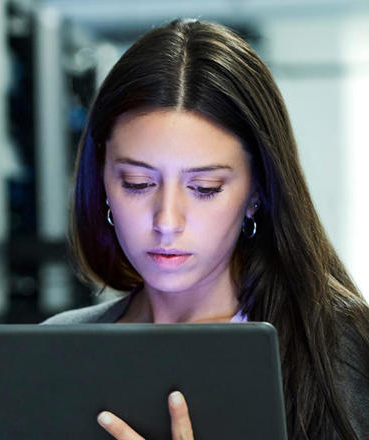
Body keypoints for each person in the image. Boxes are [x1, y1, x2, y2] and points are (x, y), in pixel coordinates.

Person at [43, 18, 369, 440]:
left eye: (205, 188)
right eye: (137, 184)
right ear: (102, 179)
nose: (166, 221)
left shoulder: (339, 353)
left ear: (257, 192)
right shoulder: (60, 348)